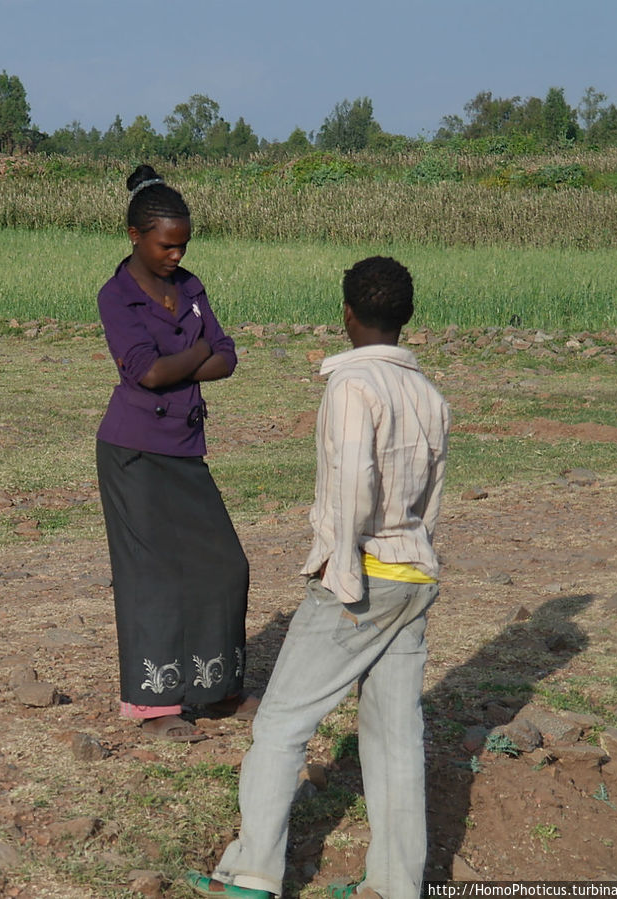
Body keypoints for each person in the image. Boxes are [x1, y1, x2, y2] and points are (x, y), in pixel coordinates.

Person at [187, 256, 451, 898]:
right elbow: (433, 499)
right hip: (414, 576)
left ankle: (253, 874)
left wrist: (341, 572)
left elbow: (349, 492)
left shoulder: (351, 388)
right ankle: (395, 884)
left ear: (347, 313)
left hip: (360, 577)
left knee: (281, 723)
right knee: (395, 739)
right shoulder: (429, 396)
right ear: (406, 318)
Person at [96, 164, 257, 743]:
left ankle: (217, 689)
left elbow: (229, 355)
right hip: (133, 454)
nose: (176, 254)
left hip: (184, 448)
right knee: (152, 576)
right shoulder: (116, 296)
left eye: (183, 244)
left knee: (224, 563)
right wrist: (197, 351)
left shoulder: (189, 287)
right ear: (135, 236)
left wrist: (185, 360)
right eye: (167, 244)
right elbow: (148, 373)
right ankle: (155, 704)